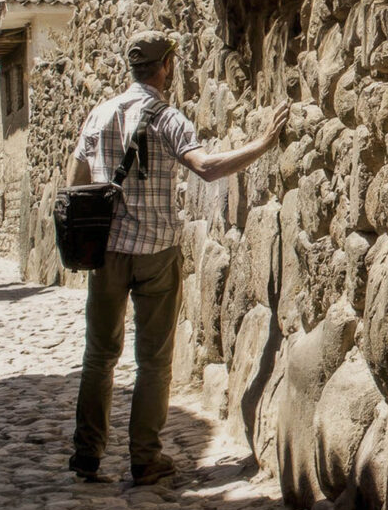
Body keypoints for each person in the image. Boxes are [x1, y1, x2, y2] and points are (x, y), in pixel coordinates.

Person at [65, 29, 288, 486]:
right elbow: (206, 167)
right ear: (166, 66)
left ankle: (87, 453)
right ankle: (145, 458)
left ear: (133, 67)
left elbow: (76, 178)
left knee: (99, 355)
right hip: (156, 253)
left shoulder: (100, 114)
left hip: (106, 253)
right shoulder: (168, 119)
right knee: (153, 360)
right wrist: (263, 144)